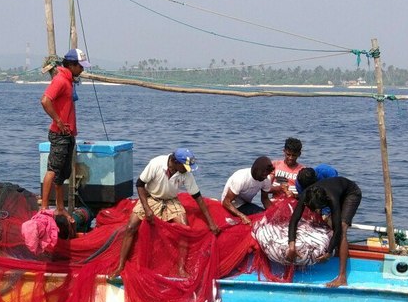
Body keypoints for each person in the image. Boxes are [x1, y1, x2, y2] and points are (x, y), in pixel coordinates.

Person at [112, 148, 222, 276]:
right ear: (175, 161)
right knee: (131, 227)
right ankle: (120, 265)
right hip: (150, 197)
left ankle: (181, 269)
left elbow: (198, 197)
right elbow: (139, 184)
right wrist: (147, 209)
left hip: (171, 200)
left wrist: (211, 223)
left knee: (185, 229)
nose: (187, 169)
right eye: (185, 166)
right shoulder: (156, 164)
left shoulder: (185, 173)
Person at [287, 166, 363, 287]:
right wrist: (291, 245)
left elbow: (337, 229)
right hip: (335, 189)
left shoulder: (332, 199)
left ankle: (342, 277)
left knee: (342, 229)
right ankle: (336, 249)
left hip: (351, 193)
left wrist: (328, 252)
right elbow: (294, 220)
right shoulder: (307, 194)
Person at [40, 47, 87, 211]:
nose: (82, 69)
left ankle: (60, 208)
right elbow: (45, 100)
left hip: (68, 135)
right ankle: (44, 208)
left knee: (62, 175)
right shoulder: (60, 80)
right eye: (80, 66)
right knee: (52, 170)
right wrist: (58, 121)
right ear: (72, 65)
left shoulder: (69, 81)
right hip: (59, 134)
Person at [219, 155, 275, 222]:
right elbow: (226, 202)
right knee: (260, 216)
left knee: (265, 216)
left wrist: (274, 213)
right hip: (232, 205)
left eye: (267, 175)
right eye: (263, 175)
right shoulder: (240, 178)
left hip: (245, 204)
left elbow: (265, 199)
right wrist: (241, 216)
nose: (265, 177)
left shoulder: (266, 179)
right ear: (257, 171)